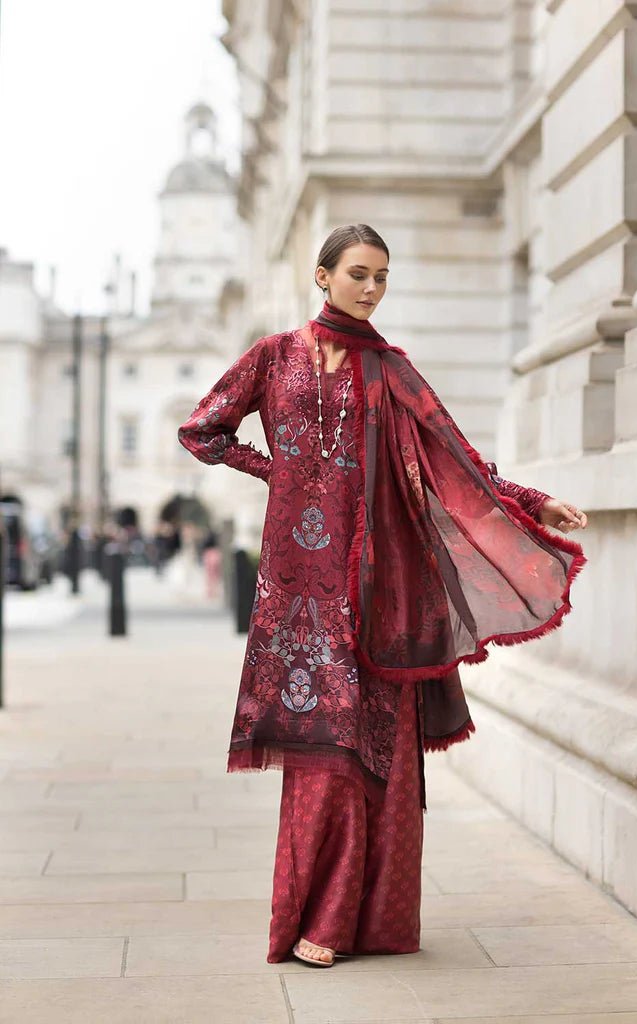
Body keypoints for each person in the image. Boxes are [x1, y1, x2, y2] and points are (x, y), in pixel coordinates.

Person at [178, 223, 588, 967]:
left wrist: (533, 503)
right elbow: (202, 431)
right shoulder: (274, 356)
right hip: (302, 590)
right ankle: (321, 919)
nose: (370, 289)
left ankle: (377, 923)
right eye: (358, 274)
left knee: (384, 751)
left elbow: (455, 459)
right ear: (322, 275)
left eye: (382, 277)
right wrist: (280, 475)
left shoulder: (391, 370)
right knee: (325, 754)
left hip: (385, 586)